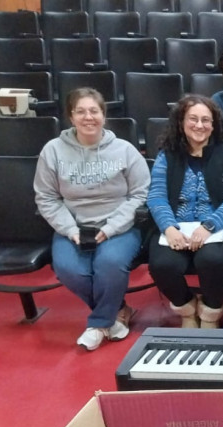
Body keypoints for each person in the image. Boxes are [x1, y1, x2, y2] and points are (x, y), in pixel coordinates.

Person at [34, 87, 150, 351]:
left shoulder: (125, 150)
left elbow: (141, 194)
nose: (88, 117)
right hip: (73, 227)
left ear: (104, 115)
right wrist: (69, 229)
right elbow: (46, 198)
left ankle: (98, 324)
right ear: (71, 117)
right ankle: (117, 312)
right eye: (81, 111)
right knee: (68, 270)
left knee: (109, 264)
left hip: (118, 226)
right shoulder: (52, 151)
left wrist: (111, 228)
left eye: (94, 111)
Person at [147, 95, 223, 329]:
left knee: (213, 259)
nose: (199, 125)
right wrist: (169, 228)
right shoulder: (167, 155)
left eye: (206, 120)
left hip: (217, 228)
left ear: (214, 125)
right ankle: (187, 308)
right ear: (181, 122)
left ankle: (211, 313)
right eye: (193, 119)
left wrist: (209, 226)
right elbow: (156, 196)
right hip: (174, 226)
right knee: (163, 265)